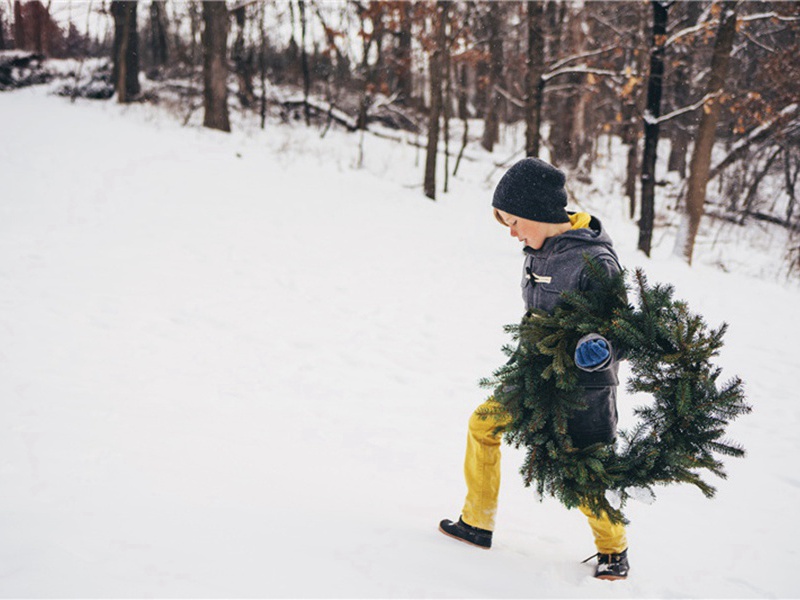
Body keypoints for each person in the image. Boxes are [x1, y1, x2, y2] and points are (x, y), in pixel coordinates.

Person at [438, 157, 630, 581]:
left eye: (513, 221)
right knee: (483, 423)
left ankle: (614, 549)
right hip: (534, 373)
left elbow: (626, 328)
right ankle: (477, 521)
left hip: (586, 388)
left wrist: (601, 347)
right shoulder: (535, 252)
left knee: (583, 469)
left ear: (539, 214)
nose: (511, 232)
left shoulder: (595, 260)